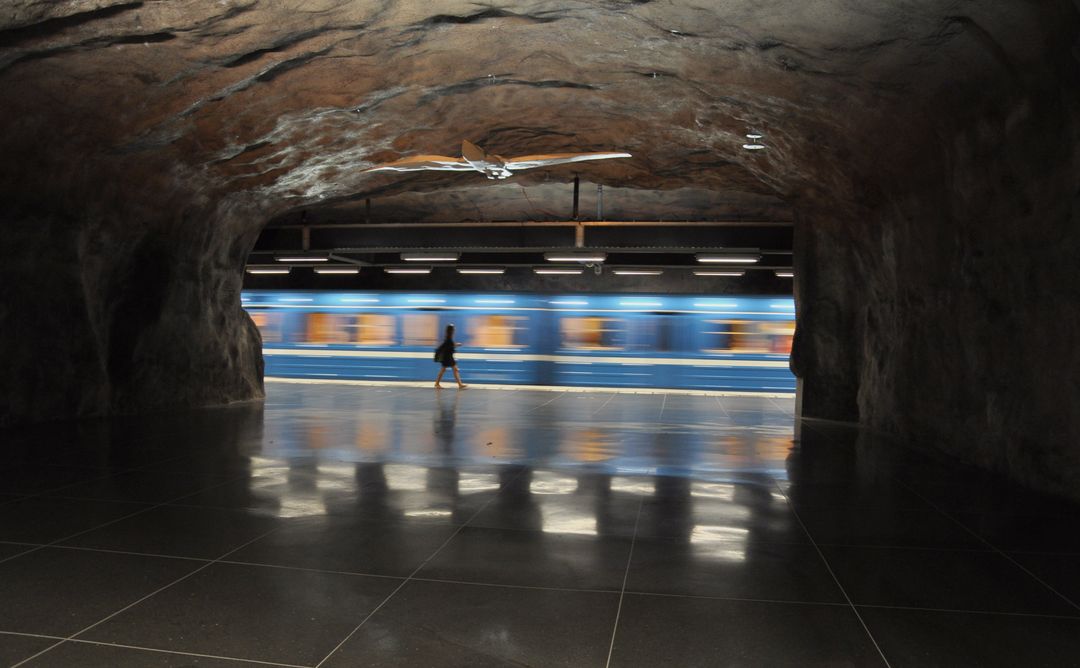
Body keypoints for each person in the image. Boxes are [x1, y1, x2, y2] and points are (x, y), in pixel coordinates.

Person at [434, 324, 467, 389]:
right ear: (451, 330)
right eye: (453, 329)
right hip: (447, 357)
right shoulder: (448, 338)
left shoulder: (449, 337)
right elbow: (449, 345)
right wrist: (457, 344)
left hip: (449, 356)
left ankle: (460, 384)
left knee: (454, 369)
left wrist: (455, 345)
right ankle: (437, 383)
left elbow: (450, 345)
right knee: (445, 370)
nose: (454, 330)